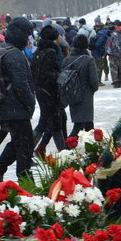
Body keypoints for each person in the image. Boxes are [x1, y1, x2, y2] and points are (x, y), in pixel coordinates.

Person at [0, 18, 38, 184]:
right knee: (25, 146)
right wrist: (31, 102)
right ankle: (26, 182)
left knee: (19, 142)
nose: (29, 40)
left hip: (7, 106)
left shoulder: (4, 50)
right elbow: (21, 83)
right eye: (27, 36)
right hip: (16, 108)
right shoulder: (14, 54)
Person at [32, 25, 68, 154]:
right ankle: (27, 149)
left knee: (55, 121)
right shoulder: (51, 52)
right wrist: (60, 76)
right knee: (45, 122)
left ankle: (62, 150)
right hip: (49, 92)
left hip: (41, 91)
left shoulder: (39, 51)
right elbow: (48, 73)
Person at [66, 33, 101, 135]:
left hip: (72, 96)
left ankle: (73, 146)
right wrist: (91, 90)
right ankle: (68, 147)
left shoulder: (67, 60)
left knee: (80, 123)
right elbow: (94, 82)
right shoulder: (88, 60)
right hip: (86, 96)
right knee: (84, 126)